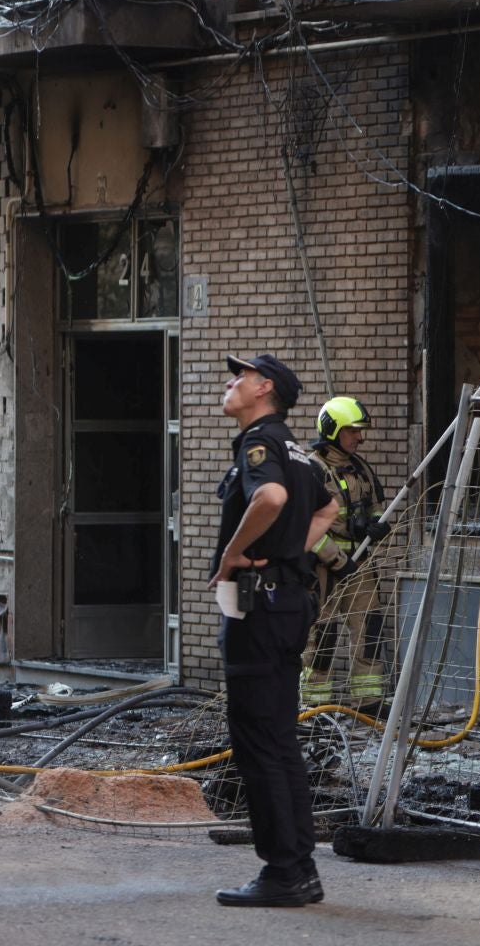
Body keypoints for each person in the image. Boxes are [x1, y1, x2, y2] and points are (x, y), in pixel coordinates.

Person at [208, 352, 339, 908]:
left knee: (258, 740)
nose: (230, 382)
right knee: (280, 738)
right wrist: (290, 552)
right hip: (286, 602)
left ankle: (284, 872)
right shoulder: (300, 452)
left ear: (264, 388)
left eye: (240, 376)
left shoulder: (260, 444)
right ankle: (299, 868)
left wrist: (233, 555)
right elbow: (329, 510)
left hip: (258, 608)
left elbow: (271, 497)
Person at [301, 396, 391, 713]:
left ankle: (368, 702)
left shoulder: (361, 468)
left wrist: (376, 525)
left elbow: (376, 505)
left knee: (369, 630)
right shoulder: (311, 471)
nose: (359, 437)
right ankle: (315, 707)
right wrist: (338, 562)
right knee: (322, 637)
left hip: (361, 564)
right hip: (323, 568)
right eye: (353, 430)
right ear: (333, 430)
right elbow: (306, 528)